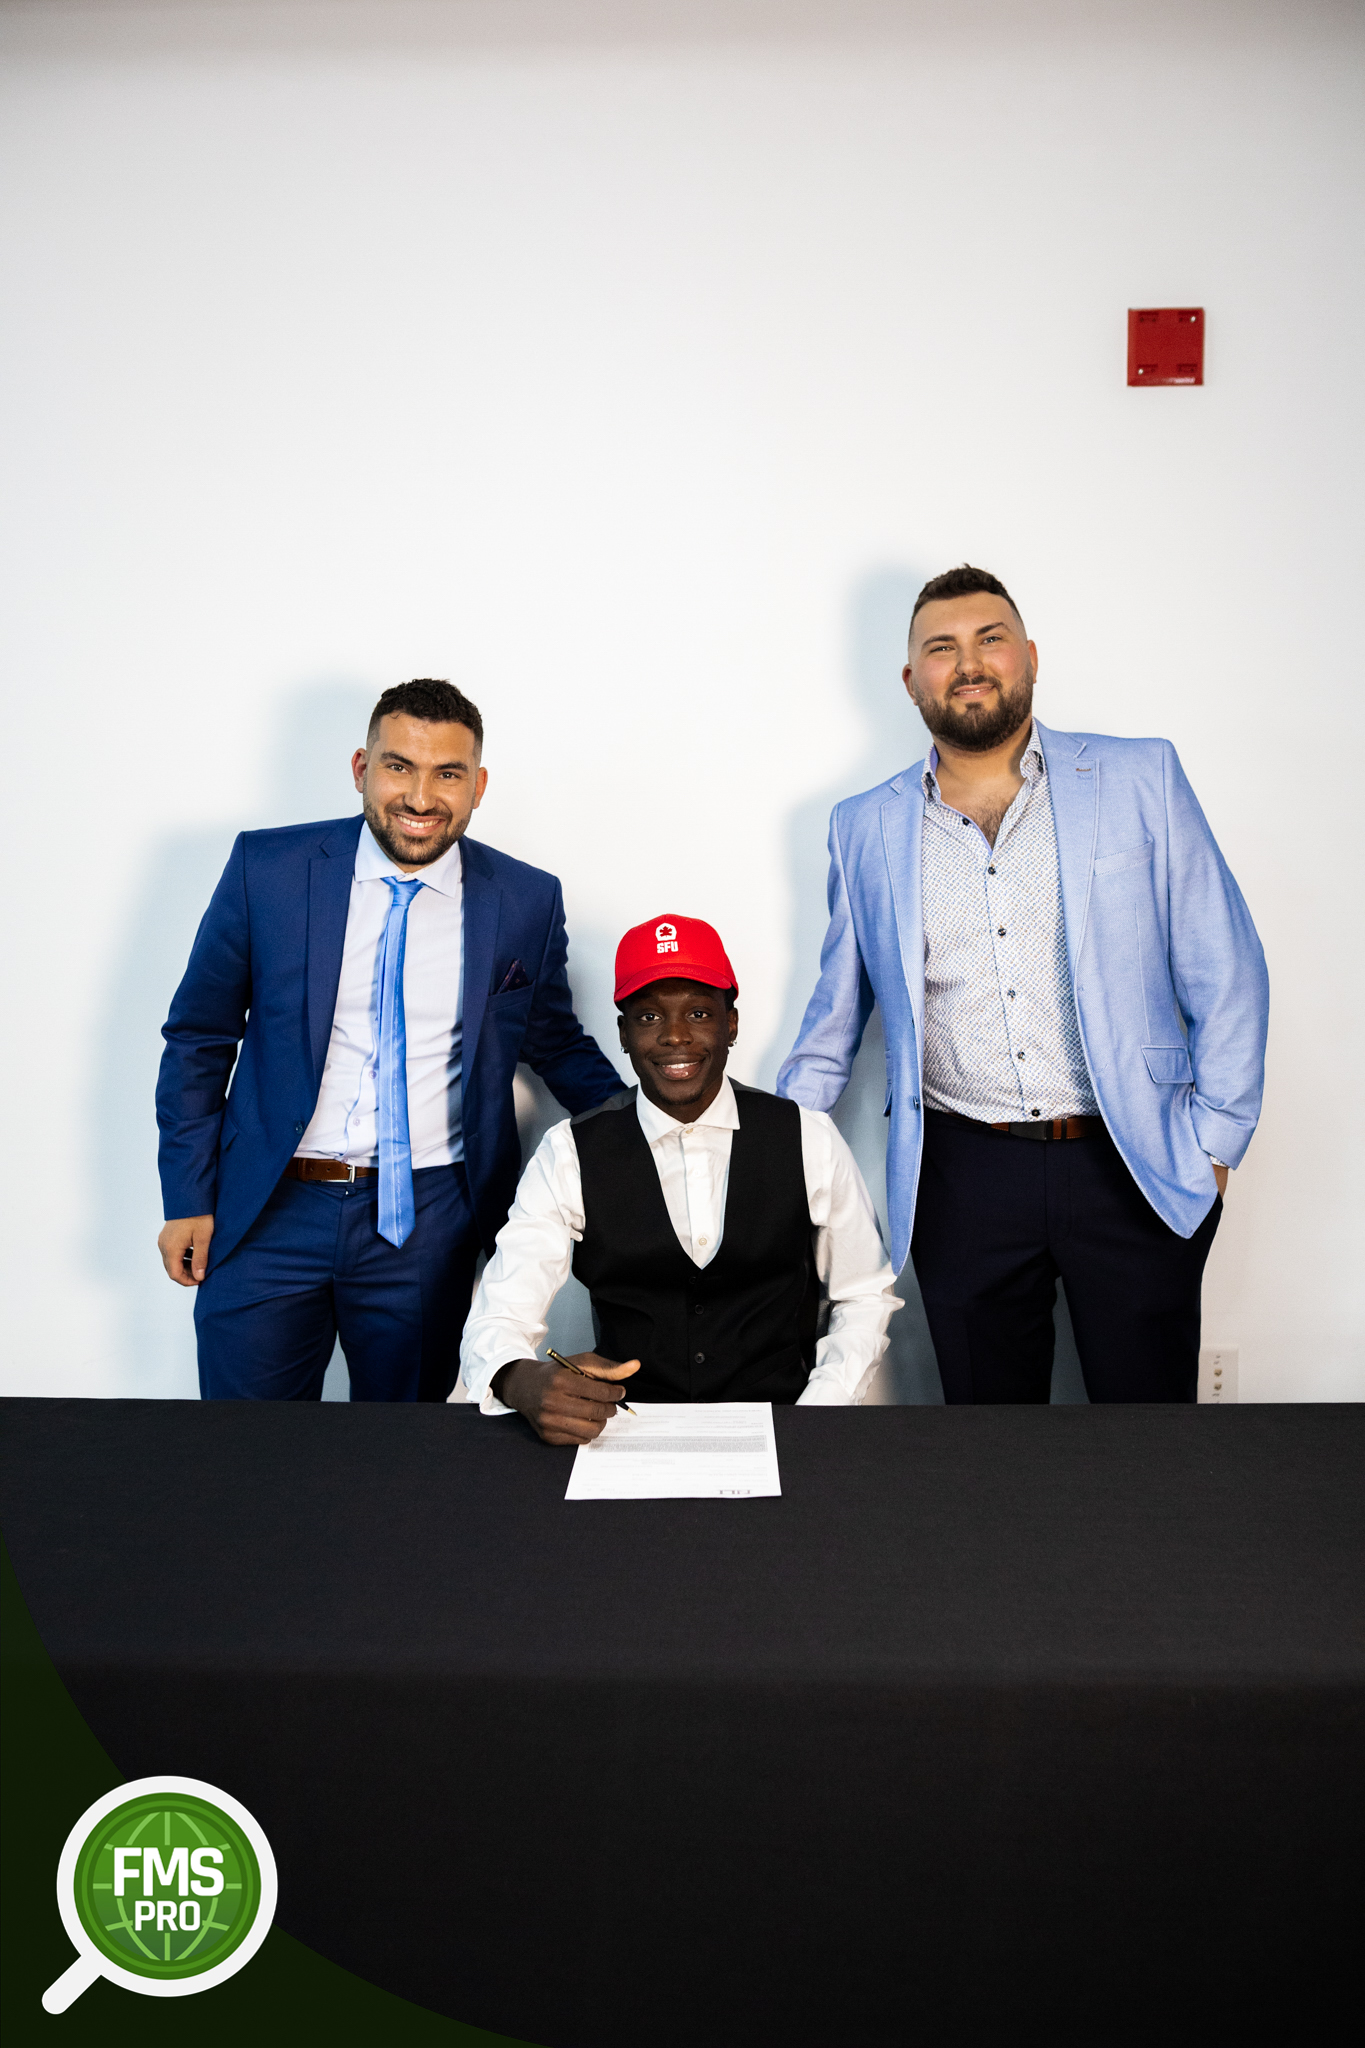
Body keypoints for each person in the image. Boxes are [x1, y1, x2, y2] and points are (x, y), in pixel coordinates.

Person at [777, 565, 1269, 1404]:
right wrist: (768, 1154)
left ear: (1029, 657)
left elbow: (1225, 970)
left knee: (1149, 1437)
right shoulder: (862, 826)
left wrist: (1212, 1147)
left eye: (989, 639)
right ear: (910, 680)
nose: (968, 663)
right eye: (941, 648)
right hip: (962, 1177)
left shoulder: (1139, 777)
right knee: (989, 1442)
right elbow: (835, 1016)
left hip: (1133, 1161)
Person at [156, 678, 623, 1401]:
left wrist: (648, 1131)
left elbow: (554, 1043)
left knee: (406, 1447)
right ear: (361, 769)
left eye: (448, 774)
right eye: (399, 766)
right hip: (269, 1209)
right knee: (244, 1446)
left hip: (431, 1219)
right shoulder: (268, 871)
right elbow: (200, 1036)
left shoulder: (525, 900)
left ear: (478, 786)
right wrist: (187, 1196)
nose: (420, 797)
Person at [458, 915, 901, 1442]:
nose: (674, 1035)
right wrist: (515, 1377)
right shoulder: (570, 1151)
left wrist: (819, 1411)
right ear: (623, 1034)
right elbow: (500, 1314)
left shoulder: (808, 1136)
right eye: (648, 1016)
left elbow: (863, 1294)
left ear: (730, 1024)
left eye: (698, 1013)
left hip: (782, 1425)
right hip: (624, 1433)